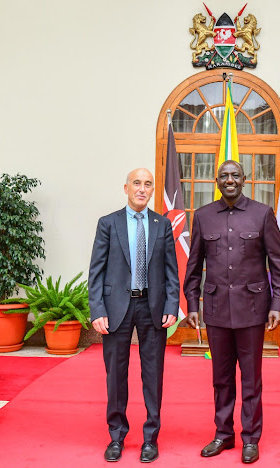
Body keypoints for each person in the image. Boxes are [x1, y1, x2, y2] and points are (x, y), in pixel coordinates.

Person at [184, 160, 280, 464]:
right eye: (224, 176)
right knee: (221, 378)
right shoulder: (203, 217)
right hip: (216, 311)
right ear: (216, 181)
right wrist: (192, 304)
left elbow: (278, 265)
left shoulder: (262, 214)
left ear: (244, 179)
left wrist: (277, 305)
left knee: (251, 379)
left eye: (235, 175)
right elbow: (194, 267)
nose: (229, 180)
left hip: (253, 310)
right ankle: (223, 433)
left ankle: (251, 438)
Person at [88, 168, 179, 463]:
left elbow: (170, 270)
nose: (142, 188)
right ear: (126, 188)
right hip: (116, 309)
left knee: (153, 375)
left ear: (152, 190)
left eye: (148, 184)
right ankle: (116, 435)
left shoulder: (162, 224)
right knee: (116, 374)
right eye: (137, 183)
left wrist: (171, 304)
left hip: (152, 307)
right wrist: (97, 310)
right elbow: (96, 272)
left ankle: (151, 438)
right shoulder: (108, 223)